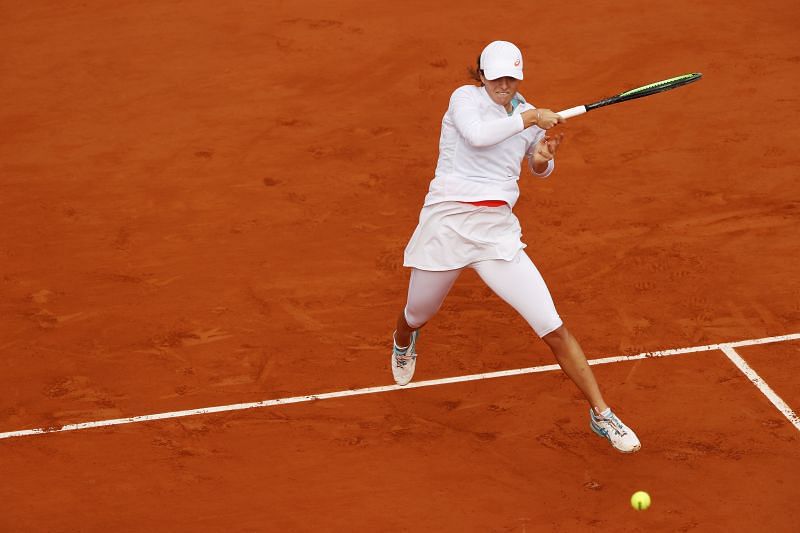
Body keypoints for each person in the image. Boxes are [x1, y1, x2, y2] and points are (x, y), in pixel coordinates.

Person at [390, 41, 640, 453]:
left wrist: (541, 156)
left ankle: (602, 415)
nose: (504, 84)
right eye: (497, 77)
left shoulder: (529, 113)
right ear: (482, 75)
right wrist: (530, 119)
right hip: (447, 227)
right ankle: (403, 338)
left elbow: (539, 168)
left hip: (496, 234)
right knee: (418, 313)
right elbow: (478, 136)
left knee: (552, 326)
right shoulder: (464, 100)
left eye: (511, 77)